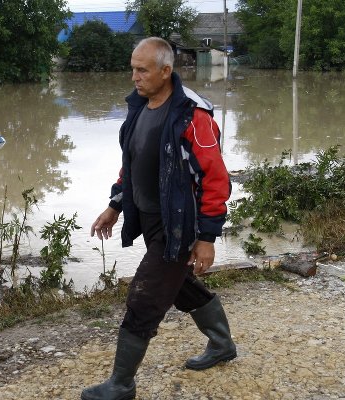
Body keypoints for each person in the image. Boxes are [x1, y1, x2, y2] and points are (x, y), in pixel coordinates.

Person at [82, 37, 236, 400]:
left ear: (166, 71)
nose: (134, 77)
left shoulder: (192, 116)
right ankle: (222, 344)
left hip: (179, 227)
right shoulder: (139, 108)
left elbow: (216, 180)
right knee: (181, 285)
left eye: (142, 70)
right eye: (133, 68)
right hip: (151, 220)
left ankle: (121, 384)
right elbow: (132, 163)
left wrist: (207, 237)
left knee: (145, 298)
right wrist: (115, 204)